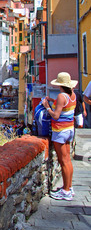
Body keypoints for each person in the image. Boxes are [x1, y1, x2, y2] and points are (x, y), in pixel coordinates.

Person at [42, 72, 77, 201]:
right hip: (69, 130)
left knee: (63, 162)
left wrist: (47, 107)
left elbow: (56, 115)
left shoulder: (61, 96)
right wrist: (53, 101)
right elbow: (65, 107)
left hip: (60, 131)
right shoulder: (72, 95)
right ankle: (69, 187)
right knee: (68, 160)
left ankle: (66, 191)